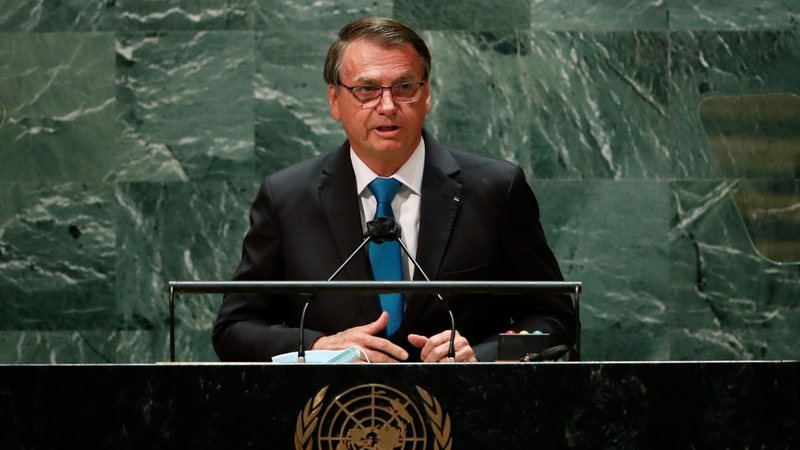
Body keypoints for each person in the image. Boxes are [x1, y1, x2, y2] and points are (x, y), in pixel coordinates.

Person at [213, 17, 576, 363]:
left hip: (469, 413)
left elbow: (556, 322)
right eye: (367, 89)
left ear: (427, 95)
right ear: (335, 100)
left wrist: (481, 356)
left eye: (404, 87)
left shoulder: (494, 190)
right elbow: (234, 329)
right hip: (333, 418)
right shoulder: (287, 198)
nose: (387, 106)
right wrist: (319, 346)